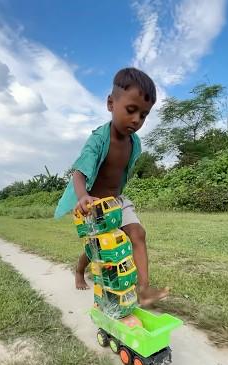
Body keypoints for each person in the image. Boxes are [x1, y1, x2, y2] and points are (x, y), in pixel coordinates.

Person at [54, 67, 169, 307]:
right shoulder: (98, 139)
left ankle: (144, 290)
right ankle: (79, 271)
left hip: (116, 200)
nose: (137, 119)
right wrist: (83, 196)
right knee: (97, 247)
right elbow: (79, 172)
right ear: (110, 103)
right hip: (93, 203)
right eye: (131, 110)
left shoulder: (134, 142)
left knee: (137, 234)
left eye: (144, 114)